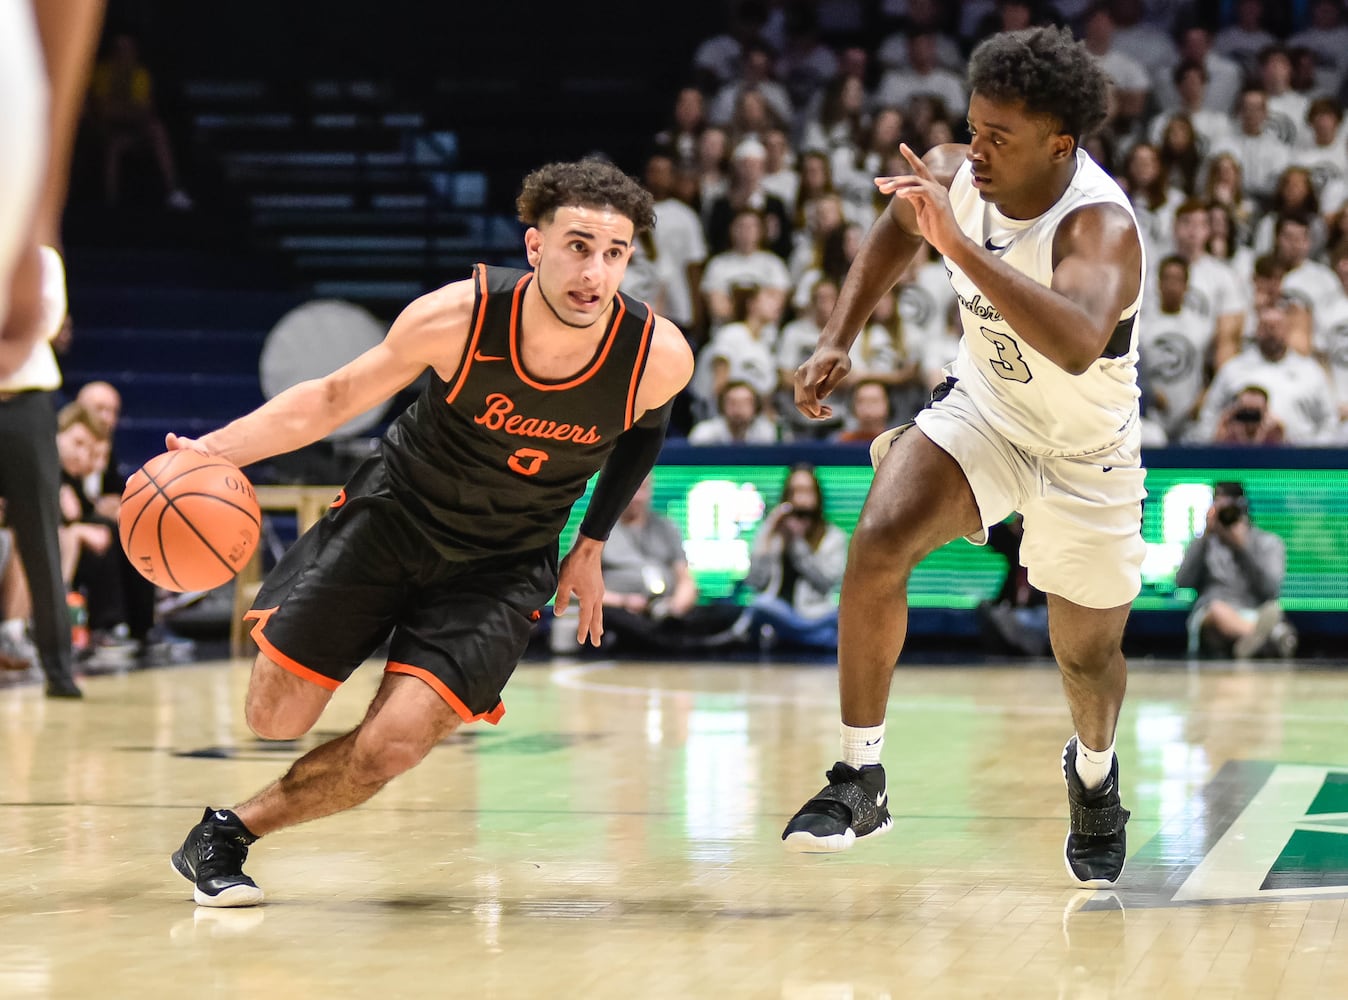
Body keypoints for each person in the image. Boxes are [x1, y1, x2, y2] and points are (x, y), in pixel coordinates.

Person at [167, 160, 693, 907]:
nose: (596, 273)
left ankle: (226, 835)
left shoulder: (657, 354)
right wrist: (214, 451)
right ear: (535, 246)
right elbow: (332, 398)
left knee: (390, 746)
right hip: (396, 517)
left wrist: (592, 543)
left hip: (504, 562)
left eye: (615, 254)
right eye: (578, 246)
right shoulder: (459, 317)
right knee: (273, 717)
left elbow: (647, 429)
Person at [782, 27, 1146, 889]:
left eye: (999, 137)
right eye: (973, 128)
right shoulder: (955, 172)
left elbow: (1072, 340)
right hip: (984, 409)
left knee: (1085, 657)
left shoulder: (1100, 228)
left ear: (1060, 143)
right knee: (879, 539)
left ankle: (1095, 776)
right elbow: (897, 228)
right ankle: (859, 775)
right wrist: (840, 333)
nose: (974, 150)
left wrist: (957, 244)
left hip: (1087, 449)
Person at [1175, 482, 1296, 659]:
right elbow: (1182, 582)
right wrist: (1205, 537)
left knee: (1272, 608)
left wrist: (1242, 548)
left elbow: (1271, 591)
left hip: (1254, 610)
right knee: (1217, 610)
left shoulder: (1268, 543)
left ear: (1243, 508)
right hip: (1213, 614)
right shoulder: (1204, 544)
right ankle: (1269, 637)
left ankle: (1248, 642)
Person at [734, 463, 846, 651]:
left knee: (847, 614)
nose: (801, 499)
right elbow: (755, 581)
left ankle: (790, 636)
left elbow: (825, 583)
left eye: (806, 491)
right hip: (777, 611)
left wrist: (797, 543)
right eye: (795, 492)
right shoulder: (774, 534)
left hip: (816, 614)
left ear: (817, 496)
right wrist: (768, 532)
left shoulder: (834, 537)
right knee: (762, 605)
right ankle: (812, 640)